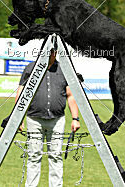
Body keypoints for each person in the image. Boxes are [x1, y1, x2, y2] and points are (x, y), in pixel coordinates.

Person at [14, 49, 80, 187]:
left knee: (56, 155)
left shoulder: (63, 69)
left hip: (57, 120)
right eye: (48, 52)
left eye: (53, 52)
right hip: (34, 119)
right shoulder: (30, 68)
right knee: (33, 155)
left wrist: (75, 118)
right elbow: (21, 92)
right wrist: (18, 118)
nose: (51, 55)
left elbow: (70, 95)